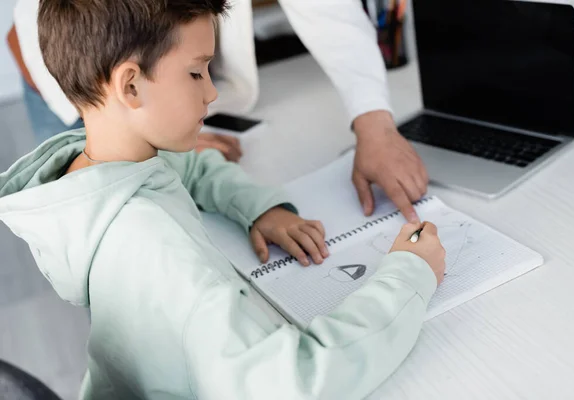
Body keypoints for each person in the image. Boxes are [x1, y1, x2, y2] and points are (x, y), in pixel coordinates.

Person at [0, 1, 446, 398]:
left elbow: (190, 166)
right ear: (130, 86)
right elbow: (293, 382)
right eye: (197, 72)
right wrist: (409, 274)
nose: (212, 92)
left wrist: (256, 206)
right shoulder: (160, 252)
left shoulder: (101, 172)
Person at [8, 0, 429, 222]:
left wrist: (375, 122)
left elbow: (328, 10)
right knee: (103, 216)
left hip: (146, 86)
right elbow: (49, 32)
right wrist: (144, 129)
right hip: (66, 83)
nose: (209, 94)